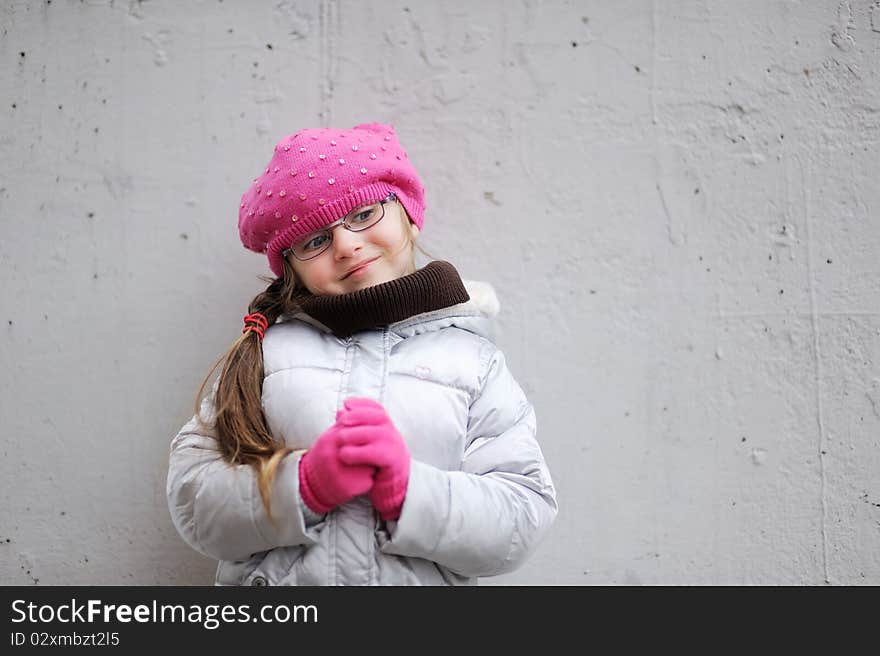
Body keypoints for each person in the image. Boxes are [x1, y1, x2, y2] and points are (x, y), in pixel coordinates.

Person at [166, 122, 557, 586]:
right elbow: (194, 500)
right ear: (289, 266)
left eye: (365, 213)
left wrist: (411, 494)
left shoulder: (473, 363)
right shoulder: (264, 357)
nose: (347, 245)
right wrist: (304, 486)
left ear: (408, 213)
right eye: (314, 240)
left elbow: (523, 513)